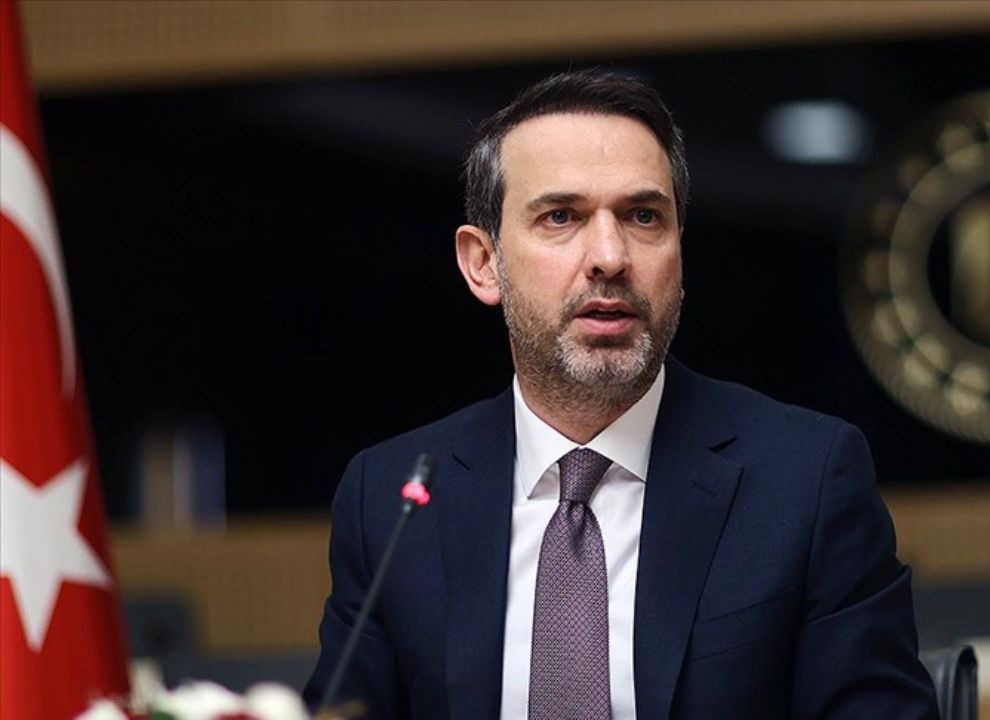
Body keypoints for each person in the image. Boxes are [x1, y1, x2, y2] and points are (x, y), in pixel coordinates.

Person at [305, 69, 939, 720]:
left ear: (680, 253)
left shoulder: (806, 481)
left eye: (643, 217)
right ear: (483, 263)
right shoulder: (392, 500)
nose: (609, 256)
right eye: (561, 217)